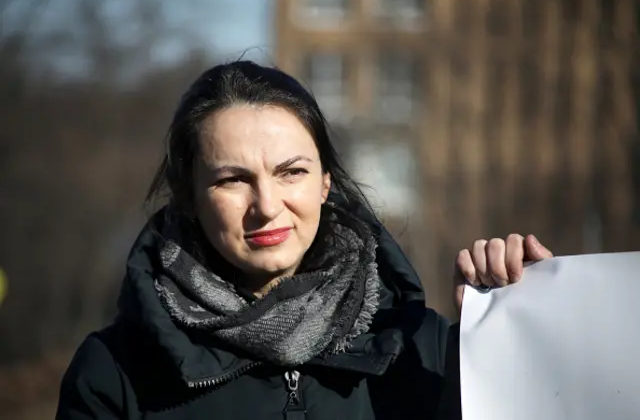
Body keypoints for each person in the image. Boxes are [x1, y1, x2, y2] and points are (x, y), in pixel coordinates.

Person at [55, 61, 552, 420]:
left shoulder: (423, 347)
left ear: (325, 183)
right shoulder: (115, 371)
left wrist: (512, 337)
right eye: (232, 180)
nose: (267, 205)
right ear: (188, 197)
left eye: (290, 172)